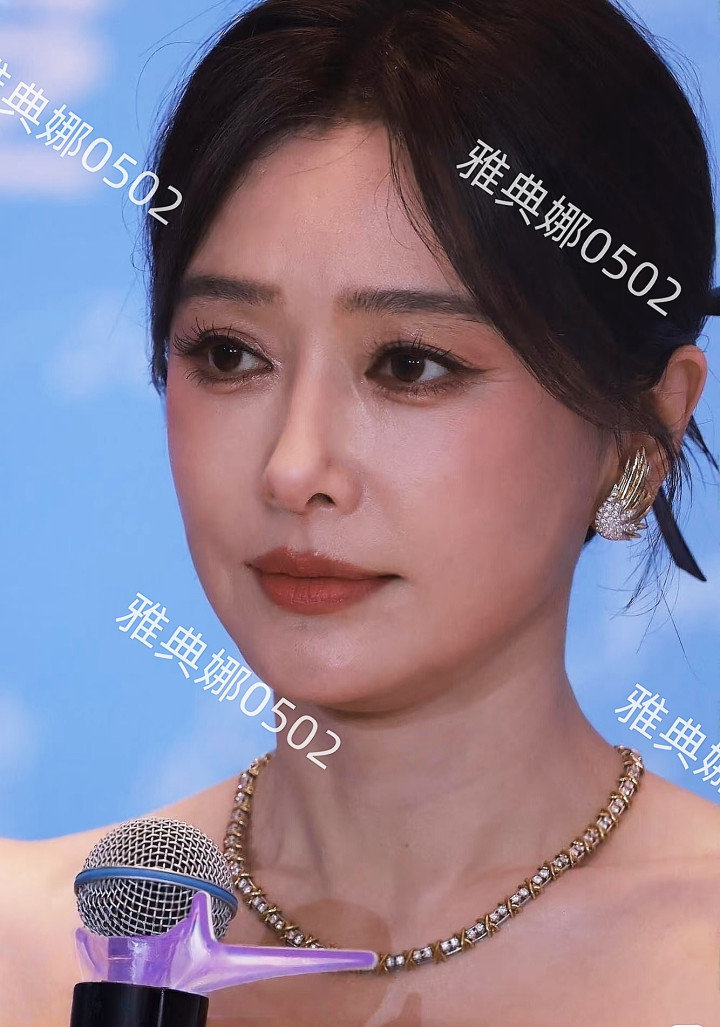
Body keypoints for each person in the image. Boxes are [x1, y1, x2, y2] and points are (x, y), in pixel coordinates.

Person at [2, 0, 720, 1024]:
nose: (295, 468)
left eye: (410, 365)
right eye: (230, 354)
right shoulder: (29, 950)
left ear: (639, 435)